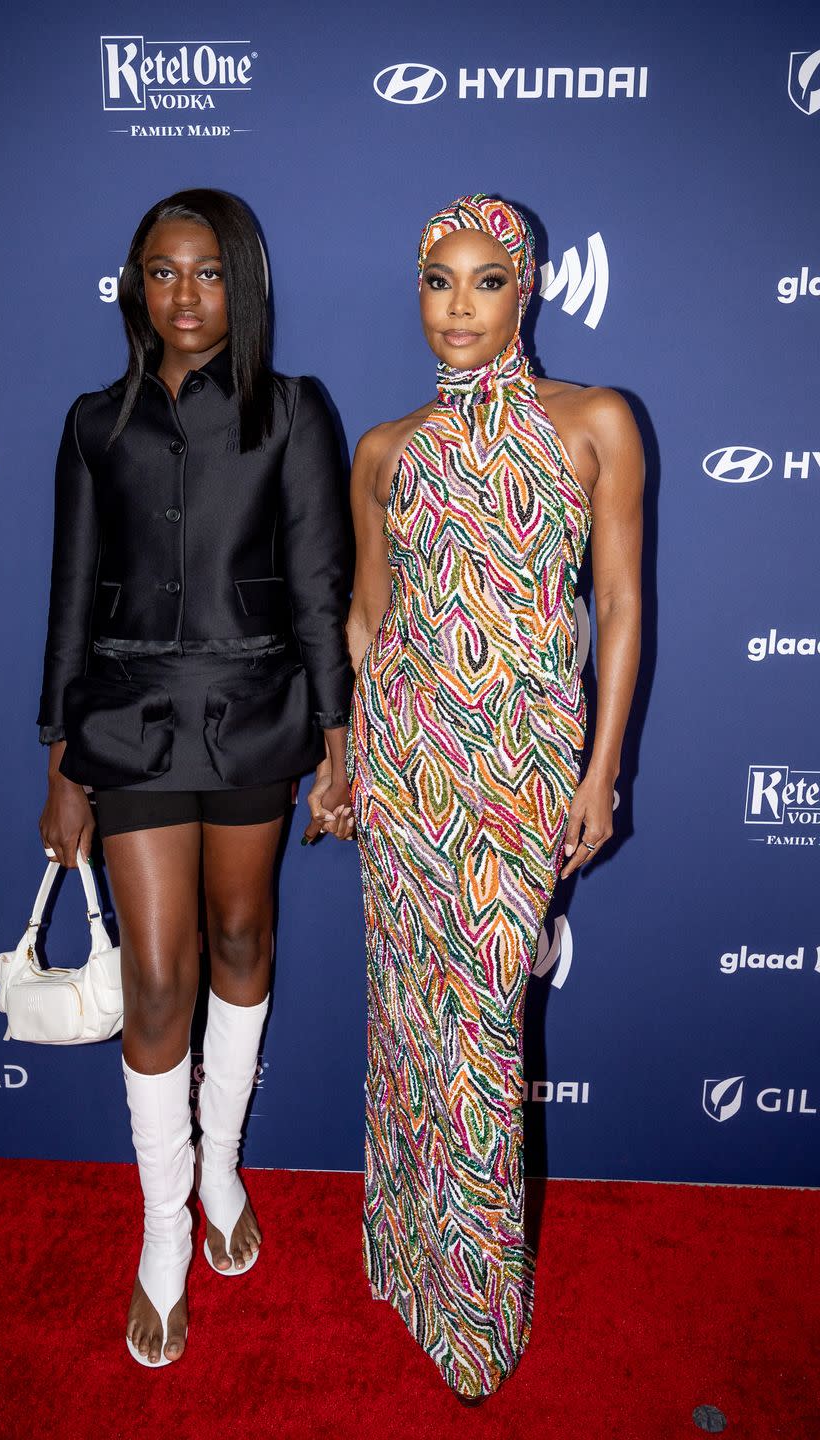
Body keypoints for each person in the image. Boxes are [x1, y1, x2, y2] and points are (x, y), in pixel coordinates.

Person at [310, 195, 643, 1397]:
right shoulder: (386, 449)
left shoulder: (593, 422)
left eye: (486, 281)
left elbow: (619, 606)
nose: (458, 306)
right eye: (438, 282)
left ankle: (478, 1313)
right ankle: (407, 1257)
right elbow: (365, 619)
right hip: (407, 766)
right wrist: (342, 759)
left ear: (530, 288)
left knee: (484, 1034)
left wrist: (601, 770)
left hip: (517, 768)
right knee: (409, 1024)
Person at [38, 188, 353, 1368]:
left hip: (260, 720)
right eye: (163, 271)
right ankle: (162, 1231)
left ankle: (222, 1168)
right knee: (159, 980)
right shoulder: (92, 424)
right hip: (126, 726)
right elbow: (69, 598)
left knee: (239, 943)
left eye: (209, 272)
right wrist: (61, 761)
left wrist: (337, 743)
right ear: (136, 284)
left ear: (245, 286)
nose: (185, 294)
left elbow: (322, 588)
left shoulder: (293, 412)